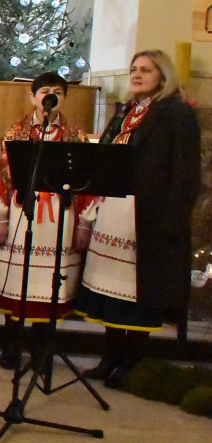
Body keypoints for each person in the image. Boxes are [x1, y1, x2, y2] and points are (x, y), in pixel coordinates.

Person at [76, 50, 200, 388]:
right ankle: (110, 357)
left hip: (149, 215)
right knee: (113, 294)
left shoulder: (175, 113)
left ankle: (132, 361)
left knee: (138, 293)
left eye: (146, 69)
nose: (137, 74)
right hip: (114, 210)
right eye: (133, 69)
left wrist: (174, 220)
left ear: (163, 76)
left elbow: (186, 173)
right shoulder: (125, 111)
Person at [0, 72, 94, 369]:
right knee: (19, 280)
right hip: (23, 214)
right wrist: (0, 218)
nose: (50, 95)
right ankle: (12, 343)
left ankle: (41, 346)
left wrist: (85, 223)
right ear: (32, 97)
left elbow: (88, 182)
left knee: (51, 283)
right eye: (44, 90)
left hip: (60, 218)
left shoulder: (75, 135)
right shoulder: (16, 132)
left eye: (57, 91)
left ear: (64, 98)